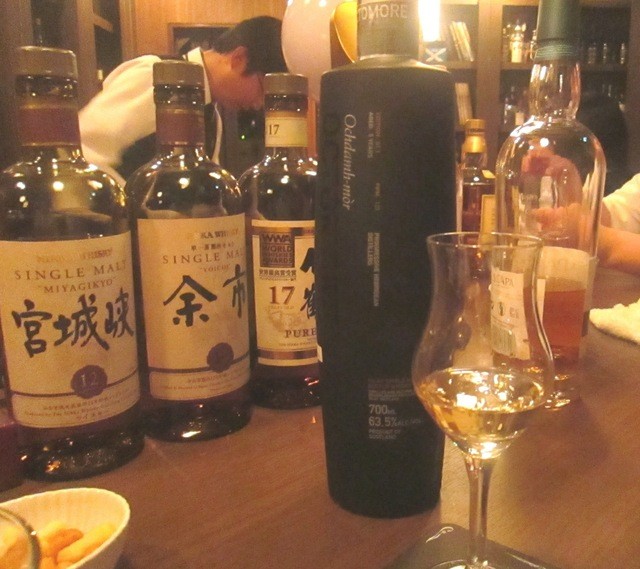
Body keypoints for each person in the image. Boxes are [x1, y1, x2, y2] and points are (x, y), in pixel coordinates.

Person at [78, 16, 287, 185]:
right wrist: (133, 210)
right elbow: (85, 152)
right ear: (239, 58)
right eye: (262, 90)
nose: (260, 104)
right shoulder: (154, 75)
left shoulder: (212, 114)